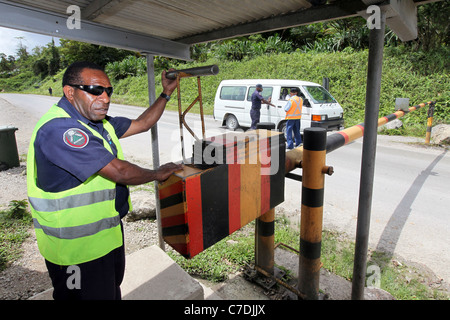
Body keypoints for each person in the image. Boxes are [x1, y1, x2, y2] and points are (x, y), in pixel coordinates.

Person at [27, 61, 183, 300]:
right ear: (70, 92)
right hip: (75, 251)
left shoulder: (99, 123)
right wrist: (156, 173)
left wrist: (166, 93)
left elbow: (143, 123)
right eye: (95, 90)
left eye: (108, 91)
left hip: (105, 236)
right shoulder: (60, 130)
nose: (105, 97)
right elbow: (119, 171)